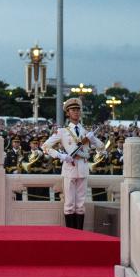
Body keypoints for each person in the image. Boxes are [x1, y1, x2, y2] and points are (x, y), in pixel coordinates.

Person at [42, 98, 103, 230]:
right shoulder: (62, 131)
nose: (76, 112)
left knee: (80, 205)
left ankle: (79, 233)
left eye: (78, 110)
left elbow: (101, 147)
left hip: (83, 168)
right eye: (73, 110)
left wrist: (93, 139)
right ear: (68, 113)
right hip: (70, 168)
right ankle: (71, 234)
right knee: (69, 204)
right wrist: (61, 156)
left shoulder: (85, 131)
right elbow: (45, 146)